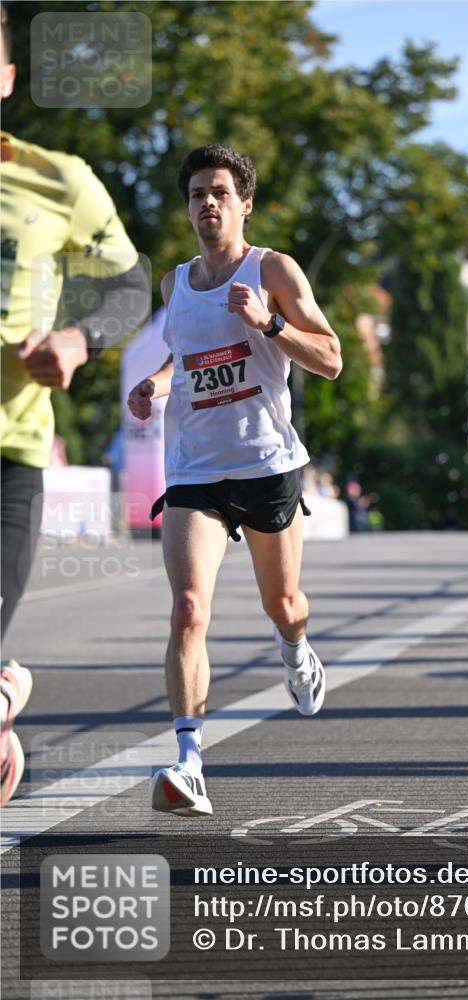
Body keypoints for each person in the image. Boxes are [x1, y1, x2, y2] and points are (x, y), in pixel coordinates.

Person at [127, 144, 342, 817]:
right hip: (195, 469)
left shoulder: (271, 268)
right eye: (196, 194)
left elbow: (331, 358)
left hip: (267, 466)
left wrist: (270, 323)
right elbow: (187, 356)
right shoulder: (174, 284)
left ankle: (295, 647)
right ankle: (189, 763)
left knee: (285, 605)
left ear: (244, 203)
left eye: (220, 192)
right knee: (188, 607)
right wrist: (155, 383)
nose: (207, 204)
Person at [0, 3, 149, 804]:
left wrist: (79, 342)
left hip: (9, 454)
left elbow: (128, 283)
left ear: (7, 77)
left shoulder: (57, 179)